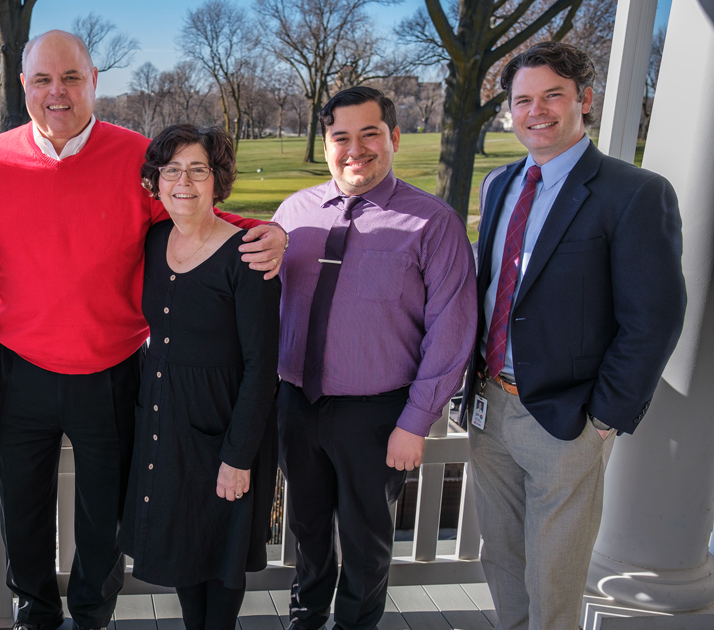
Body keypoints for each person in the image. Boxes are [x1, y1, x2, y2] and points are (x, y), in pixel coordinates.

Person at [0, 30, 287, 630]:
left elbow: (194, 211)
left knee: (102, 516)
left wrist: (269, 231)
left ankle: (91, 615)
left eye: (71, 78)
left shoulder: (136, 156)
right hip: (21, 368)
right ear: (23, 85)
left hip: (111, 370)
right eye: (42, 79)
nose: (56, 92)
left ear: (94, 81)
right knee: (23, 509)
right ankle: (34, 610)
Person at [460, 42, 685, 630]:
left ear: (584, 100)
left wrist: (605, 417)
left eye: (552, 95)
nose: (536, 111)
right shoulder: (499, 184)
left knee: (553, 578)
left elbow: (654, 317)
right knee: (502, 561)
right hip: (489, 405)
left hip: (566, 420)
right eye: (522, 100)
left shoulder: (633, 192)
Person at [270, 86, 476, 630]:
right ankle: (305, 619)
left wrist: (416, 422)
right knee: (308, 533)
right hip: (295, 403)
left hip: (377, 416)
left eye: (370, 134)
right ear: (326, 141)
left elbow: (451, 333)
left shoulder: (433, 223)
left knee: (366, 543)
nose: (355, 149)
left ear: (394, 138)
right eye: (341, 137)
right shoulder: (294, 211)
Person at [120, 124, 280, 630]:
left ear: (218, 179)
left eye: (197, 169)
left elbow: (261, 367)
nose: (183, 181)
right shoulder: (155, 239)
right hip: (168, 428)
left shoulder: (247, 257)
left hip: (224, 431)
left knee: (221, 565)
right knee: (186, 555)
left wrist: (238, 456)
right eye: (171, 170)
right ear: (156, 180)